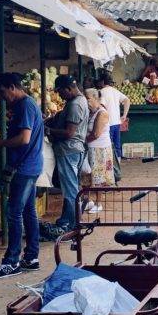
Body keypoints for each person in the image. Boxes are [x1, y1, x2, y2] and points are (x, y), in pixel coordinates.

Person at [0, 73, 45, 279]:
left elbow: (24, 138)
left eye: (3, 92)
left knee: (14, 213)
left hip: (25, 167)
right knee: (28, 211)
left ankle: (12, 261)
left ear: (12, 87)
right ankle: (31, 257)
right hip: (29, 165)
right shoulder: (23, 105)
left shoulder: (26, 105)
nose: (2, 97)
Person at [46, 74, 89, 234]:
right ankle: (67, 220)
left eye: (60, 92)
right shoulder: (78, 101)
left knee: (70, 190)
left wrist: (50, 130)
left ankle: (72, 224)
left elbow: (69, 132)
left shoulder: (75, 105)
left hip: (68, 150)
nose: (59, 95)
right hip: (73, 150)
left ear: (68, 89)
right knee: (70, 188)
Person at [83, 88, 116, 188]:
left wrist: (82, 141)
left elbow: (96, 134)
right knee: (88, 176)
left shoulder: (102, 113)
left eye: (88, 99)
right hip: (90, 148)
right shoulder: (90, 112)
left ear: (95, 98)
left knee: (99, 179)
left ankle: (98, 202)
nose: (86, 101)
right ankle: (87, 201)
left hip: (99, 150)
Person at [98, 74, 129, 173]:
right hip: (116, 122)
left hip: (107, 123)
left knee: (109, 146)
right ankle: (117, 167)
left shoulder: (101, 92)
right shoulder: (115, 91)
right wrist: (124, 115)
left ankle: (110, 168)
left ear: (102, 82)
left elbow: (102, 106)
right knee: (117, 145)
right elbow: (127, 100)